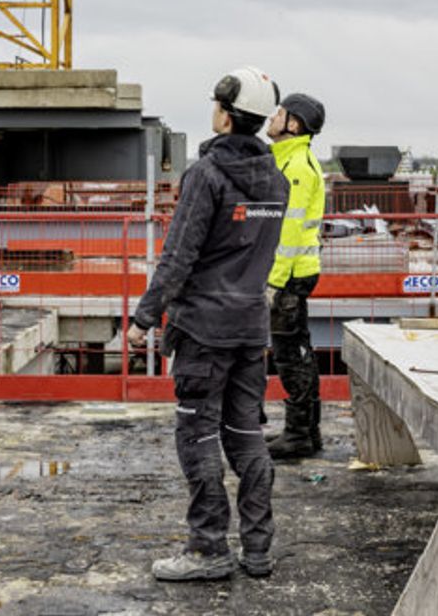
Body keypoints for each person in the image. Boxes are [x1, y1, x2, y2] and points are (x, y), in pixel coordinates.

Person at [127, 67, 288, 582]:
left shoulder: (207, 174)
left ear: (224, 113)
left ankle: (208, 548)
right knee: (246, 434)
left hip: (204, 331)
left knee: (196, 436)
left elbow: (179, 256)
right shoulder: (277, 180)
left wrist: (142, 318)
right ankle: (258, 550)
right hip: (249, 327)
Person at [265, 92, 326, 459]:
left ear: (294, 124)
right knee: (298, 351)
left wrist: (273, 282)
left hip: (290, 276)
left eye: (279, 113)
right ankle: (306, 432)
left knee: (291, 355)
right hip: (294, 273)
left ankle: (299, 434)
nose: (272, 118)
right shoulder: (289, 161)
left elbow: (289, 232)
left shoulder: (297, 168)